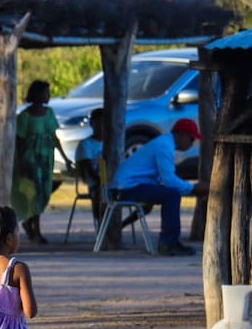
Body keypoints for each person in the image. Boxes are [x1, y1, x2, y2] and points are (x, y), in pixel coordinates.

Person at [109, 118, 208, 256]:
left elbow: (163, 179)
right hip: (125, 188)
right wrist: (193, 188)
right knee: (172, 194)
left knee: (167, 193)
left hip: (125, 187)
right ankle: (169, 243)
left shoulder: (164, 143)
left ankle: (121, 228)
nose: (191, 144)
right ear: (180, 134)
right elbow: (169, 180)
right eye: (191, 139)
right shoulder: (165, 146)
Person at [12, 80, 72, 245]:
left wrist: (65, 158)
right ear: (37, 94)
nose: (48, 96)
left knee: (42, 192)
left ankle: (29, 224)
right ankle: (36, 231)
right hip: (31, 160)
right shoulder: (24, 117)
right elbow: (20, 142)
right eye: (46, 93)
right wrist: (19, 162)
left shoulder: (50, 113)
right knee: (34, 195)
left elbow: (54, 137)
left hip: (46, 160)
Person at [73, 108, 105, 229]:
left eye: (104, 123)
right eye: (98, 123)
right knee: (98, 191)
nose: (101, 127)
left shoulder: (110, 143)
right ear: (92, 124)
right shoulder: (86, 144)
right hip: (93, 179)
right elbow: (87, 168)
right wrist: (99, 180)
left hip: (107, 178)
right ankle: (100, 223)